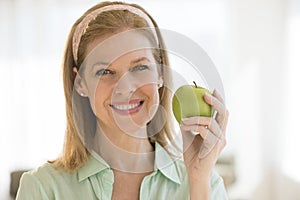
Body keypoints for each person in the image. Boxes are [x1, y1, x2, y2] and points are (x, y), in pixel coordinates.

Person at [16, 1, 229, 199]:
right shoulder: (42, 188)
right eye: (105, 72)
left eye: (140, 67)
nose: (125, 88)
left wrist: (198, 181)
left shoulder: (204, 182)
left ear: (160, 73)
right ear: (80, 83)